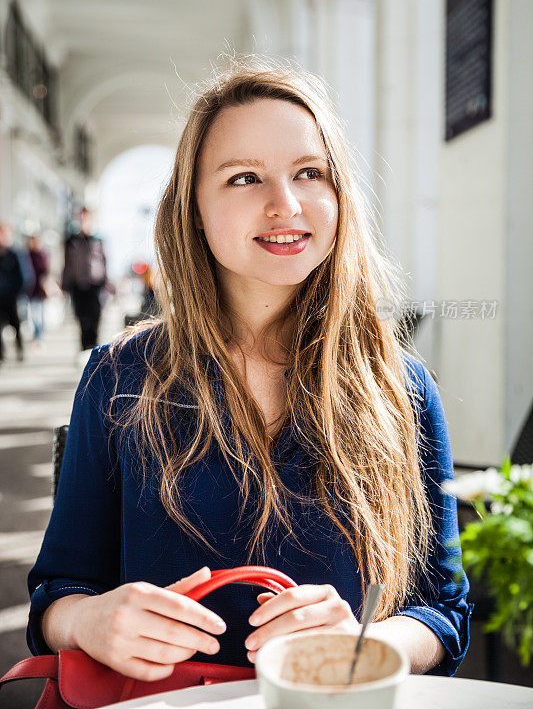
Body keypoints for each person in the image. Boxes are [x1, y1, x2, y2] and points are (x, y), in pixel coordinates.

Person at [27, 58, 474, 683]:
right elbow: (57, 592)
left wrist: (365, 641)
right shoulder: (120, 378)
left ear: (339, 195)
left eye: (309, 173)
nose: (284, 204)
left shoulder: (398, 387)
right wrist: (89, 620)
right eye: (243, 178)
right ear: (193, 207)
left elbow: (443, 611)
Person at [61, 207, 108, 352]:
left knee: (95, 317)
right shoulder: (71, 241)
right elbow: (67, 263)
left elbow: (104, 261)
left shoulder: (98, 240)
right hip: (78, 285)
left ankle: (94, 348)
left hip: (96, 284)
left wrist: (106, 281)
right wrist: (64, 284)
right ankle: (84, 348)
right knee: (82, 318)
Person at [0, 222, 25, 362]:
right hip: (0, 296)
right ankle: (1, 354)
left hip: (12, 296)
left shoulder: (15, 254)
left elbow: (23, 275)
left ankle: (20, 350)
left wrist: (17, 291)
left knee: (16, 324)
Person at [27, 235, 50, 345]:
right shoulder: (27, 255)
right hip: (30, 290)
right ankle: (37, 335)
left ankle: (39, 336)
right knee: (33, 315)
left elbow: (45, 272)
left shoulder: (42, 255)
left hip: (40, 290)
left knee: (39, 314)